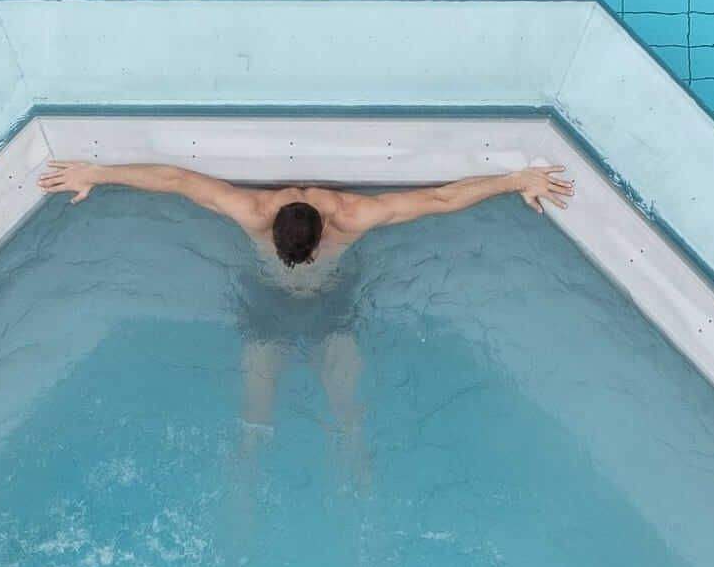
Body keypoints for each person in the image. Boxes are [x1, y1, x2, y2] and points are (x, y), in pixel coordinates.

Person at [34, 153, 575, 466]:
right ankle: (246, 496)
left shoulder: (351, 215)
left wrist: (516, 180)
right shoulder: (252, 211)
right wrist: (96, 172)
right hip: (266, 307)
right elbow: (176, 182)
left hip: (332, 306)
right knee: (254, 420)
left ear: (321, 237)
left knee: (349, 415)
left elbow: (438, 200)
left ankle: (358, 490)